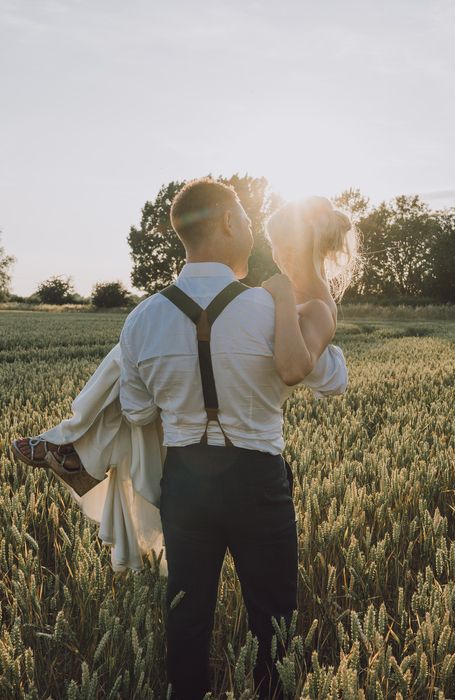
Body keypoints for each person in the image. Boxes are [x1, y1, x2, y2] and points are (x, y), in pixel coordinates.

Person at [9, 178, 361, 699]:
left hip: (186, 484)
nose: (249, 228)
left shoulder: (142, 319)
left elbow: (135, 409)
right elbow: (331, 379)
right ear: (224, 223)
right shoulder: (270, 311)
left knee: (187, 617)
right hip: (258, 482)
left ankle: (73, 446)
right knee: (274, 624)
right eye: (243, 218)